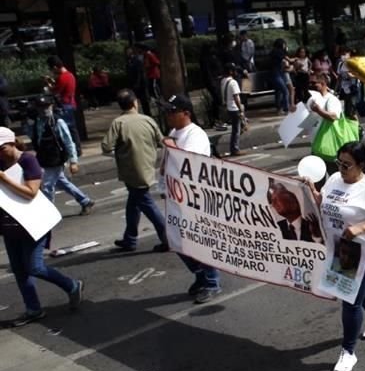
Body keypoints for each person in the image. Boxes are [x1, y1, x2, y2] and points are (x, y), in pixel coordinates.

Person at [305, 142, 365, 371]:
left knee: (350, 300)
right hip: (340, 249)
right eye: (339, 163)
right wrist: (315, 195)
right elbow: (325, 204)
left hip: (363, 251)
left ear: (361, 165)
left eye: (347, 165)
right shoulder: (333, 180)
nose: (341, 168)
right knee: (361, 291)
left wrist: (361, 228)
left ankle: (348, 352)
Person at [0, 126, 84, 327]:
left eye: (1, 148)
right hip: (10, 226)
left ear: (12, 143)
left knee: (35, 267)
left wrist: (4, 179)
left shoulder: (28, 160)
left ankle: (72, 285)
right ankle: (33, 309)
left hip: (33, 223)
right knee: (19, 270)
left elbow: (31, 192)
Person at [162, 95, 222, 304]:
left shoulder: (195, 135)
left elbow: (191, 166)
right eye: (167, 111)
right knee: (176, 240)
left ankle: (212, 281)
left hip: (195, 198)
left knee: (198, 239)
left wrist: (172, 147)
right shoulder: (174, 132)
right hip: (176, 196)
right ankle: (200, 274)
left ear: (186, 113)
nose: (168, 115)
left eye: (172, 111)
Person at [101, 89, 168, 253]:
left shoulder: (119, 123)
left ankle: (167, 238)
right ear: (135, 102)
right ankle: (130, 239)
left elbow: (106, 146)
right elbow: (162, 142)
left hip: (131, 172)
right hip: (147, 168)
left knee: (147, 205)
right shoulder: (148, 120)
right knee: (133, 205)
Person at [25, 96, 94, 215]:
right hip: (43, 158)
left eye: (46, 107)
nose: (44, 110)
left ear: (51, 106)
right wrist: (29, 124)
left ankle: (48, 213)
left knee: (47, 185)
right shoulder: (37, 122)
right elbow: (33, 138)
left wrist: (73, 161)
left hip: (56, 159)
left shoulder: (58, 122)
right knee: (61, 182)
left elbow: (68, 142)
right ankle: (85, 201)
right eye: (41, 107)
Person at [43, 56, 80, 148]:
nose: (52, 71)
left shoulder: (63, 77)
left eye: (51, 69)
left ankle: (74, 148)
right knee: (72, 128)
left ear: (55, 67)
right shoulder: (70, 75)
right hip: (71, 104)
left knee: (67, 128)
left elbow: (55, 91)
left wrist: (47, 83)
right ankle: (77, 148)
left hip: (64, 106)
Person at [126, 46, 150, 116]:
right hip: (132, 83)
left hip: (140, 83)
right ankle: (135, 113)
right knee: (133, 99)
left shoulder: (137, 60)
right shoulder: (128, 61)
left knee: (144, 100)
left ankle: (147, 113)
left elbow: (140, 73)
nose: (127, 53)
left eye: (128, 51)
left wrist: (138, 83)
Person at [270, 39, 291, 116]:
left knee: (278, 92)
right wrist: (286, 50)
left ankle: (279, 108)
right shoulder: (278, 52)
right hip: (277, 74)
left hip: (277, 74)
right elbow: (288, 60)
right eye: (284, 44)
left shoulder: (273, 52)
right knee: (285, 91)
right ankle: (286, 108)